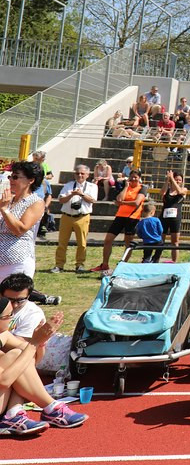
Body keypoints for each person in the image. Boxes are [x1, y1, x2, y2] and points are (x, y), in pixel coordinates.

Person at [0, 298, 87, 434]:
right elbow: (3, 382)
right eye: (8, 316)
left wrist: (40, 342)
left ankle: (14, 413)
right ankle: (51, 408)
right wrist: (33, 343)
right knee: (16, 356)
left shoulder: (3, 335)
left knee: (21, 354)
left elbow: (31, 361)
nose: (12, 319)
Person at [92, 168, 146, 273]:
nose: (133, 179)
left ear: (139, 178)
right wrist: (126, 187)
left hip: (132, 218)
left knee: (127, 243)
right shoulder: (126, 187)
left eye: (136, 177)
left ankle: (123, 264)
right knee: (108, 240)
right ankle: (105, 264)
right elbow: (119, 199)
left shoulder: (142, 188)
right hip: (120, 216)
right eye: (132, 177)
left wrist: (123, 203)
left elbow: (136, 202)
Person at [0, 161, 47, 280]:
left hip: (16, 262)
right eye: (10, 176)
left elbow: (20, 229)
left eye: (15, 177)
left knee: (12, 298)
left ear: (31, 180)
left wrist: (5, 210)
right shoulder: (7, 200)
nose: (11, 180)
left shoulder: (36, 202)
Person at [53, 164, 97, 273]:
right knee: (62, 242)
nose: (80, 175)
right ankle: (59, 265)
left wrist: (81, 194)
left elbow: (92, 200)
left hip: (82, 217)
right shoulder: (68, 185)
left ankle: (80, 264)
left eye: (82, 173)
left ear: (87, 175)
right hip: (67, 216)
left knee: (82, 243)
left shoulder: (92, 186)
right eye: (77, 173)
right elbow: (61, 200)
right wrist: (71, 195)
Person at [1, 274, 45, 342]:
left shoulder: (33, 314)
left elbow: (19, 344)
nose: (15, 305)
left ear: (28, 296)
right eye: (10, 300)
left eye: (20, 300)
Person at [160, 169, 187, 263]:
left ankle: (174, 261)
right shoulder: (168, 190)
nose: (178, 181)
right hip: (164, 217)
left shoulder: (184, 190)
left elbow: (180, 191)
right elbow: (161, 193)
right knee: (160, 240)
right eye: (176, 179)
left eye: (180, 180)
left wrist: (173, 179)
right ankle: (156, 258)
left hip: (175, 218)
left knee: (175, 241)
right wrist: (168, 180)